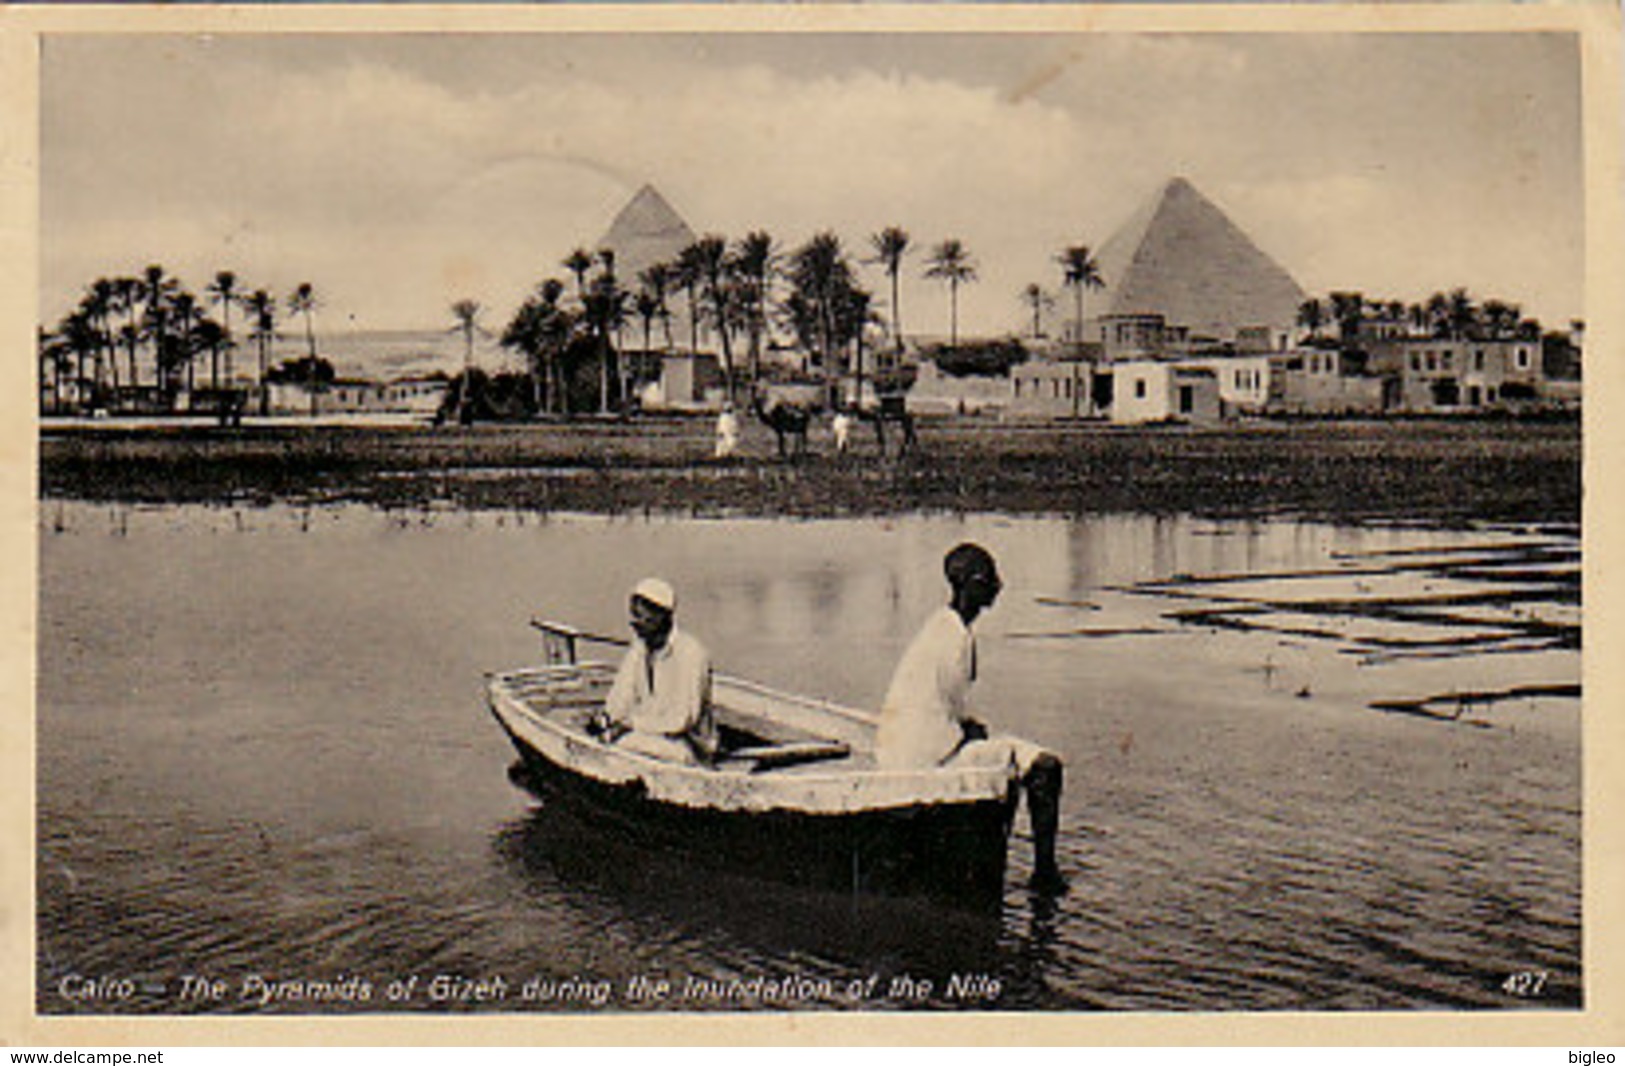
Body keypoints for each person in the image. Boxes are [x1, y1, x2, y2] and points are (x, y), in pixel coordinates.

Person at [875, 543, 1067, 892]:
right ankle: (1044, 875)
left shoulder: (941, 625)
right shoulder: (956, 639)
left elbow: (938, 704)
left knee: (996, 746)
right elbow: (936, 726)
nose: (999, 585)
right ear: (970, 584)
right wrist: (966, 735)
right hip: (927, 758)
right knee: (1046, 768)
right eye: (990, 578)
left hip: (909, 750)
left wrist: (965, 728)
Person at [591, 578, 718, 767]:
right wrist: (606, 718)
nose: (634, 624)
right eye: (633, 616)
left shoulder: (691, 654)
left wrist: (630, 725)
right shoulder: (639, 648)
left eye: (642, 617)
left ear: (662, 617)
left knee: (619, 747)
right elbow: (620, 697)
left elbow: (680, 721)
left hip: (689, 748)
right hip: (649, 737)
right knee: (606, 740)